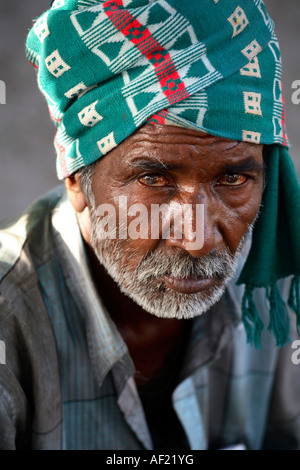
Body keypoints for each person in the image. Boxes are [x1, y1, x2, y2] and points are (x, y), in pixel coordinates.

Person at [0, 0, 299, 450]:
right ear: (77, 179)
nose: (197, 240)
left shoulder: (278, 287)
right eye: (153, 178)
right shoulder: (10, 316)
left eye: (233, 178)